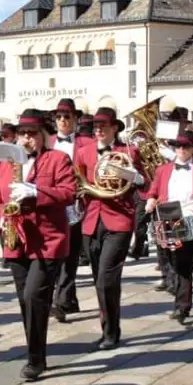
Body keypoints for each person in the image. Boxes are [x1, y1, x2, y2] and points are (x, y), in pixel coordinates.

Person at [0, 109, 76, 379]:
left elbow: (68, 193)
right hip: (16, 241)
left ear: (42, 136)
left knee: (34, 296)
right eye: (22, 134)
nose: (26, 139)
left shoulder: (58, 159)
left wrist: (36, 192)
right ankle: (35, 350)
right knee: (25, 301)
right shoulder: (8, 163)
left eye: (31, 134)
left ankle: (36, 358)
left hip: (47, 240)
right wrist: (1, 218)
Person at [74, 107, 144, 349]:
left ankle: (112, 331)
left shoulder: (129, 152)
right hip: (92, 220)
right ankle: (107, 327)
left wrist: (134, 177)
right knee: (98, 279)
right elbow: (78, 184)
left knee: (107, 278)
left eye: (104, 125)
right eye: (95, 126)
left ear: (115, 127)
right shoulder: (83, 152)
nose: (99, 130)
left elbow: (145, 183)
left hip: (119, 220)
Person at [144, 131, 193, 323]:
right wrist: (150, 201)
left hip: (189, 217)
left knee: (184, 263)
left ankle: (182, 307)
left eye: (185, 146)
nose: (181, 150)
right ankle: (178, 293)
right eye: (178, 146)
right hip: (166, 215)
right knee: (169, 261)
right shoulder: (162, 170)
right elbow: (153, 191)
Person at [47, 99, 89, 321]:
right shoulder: (48, 141)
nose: (62, 120)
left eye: (67, 116)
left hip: (76, 205)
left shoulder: (85, 143)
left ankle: (61, 302)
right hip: (51, 205)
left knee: (70, 256)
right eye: (59, 117)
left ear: (75, 119)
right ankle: (68, 299)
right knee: (55, 255)